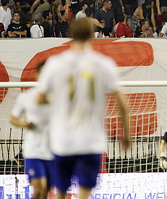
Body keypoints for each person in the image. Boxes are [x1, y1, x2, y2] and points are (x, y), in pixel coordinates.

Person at [37, 18, 130, 199]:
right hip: (90, 140)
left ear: (70, 34)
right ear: (91, 35)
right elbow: (122, 106)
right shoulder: (104, 64)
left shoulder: (54, 64)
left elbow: (40, 99)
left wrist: (58, 101)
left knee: (60, 192)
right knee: (84, 194)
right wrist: (125, 134)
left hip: (62, 139)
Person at [10, 61, 52, 199]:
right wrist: (24, 124)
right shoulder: (26, 97)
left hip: (53, 151)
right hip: (33, 151)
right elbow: (13, 118)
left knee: (45, 190)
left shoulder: (61, 97)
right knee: (38, 189)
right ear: (37, 75)